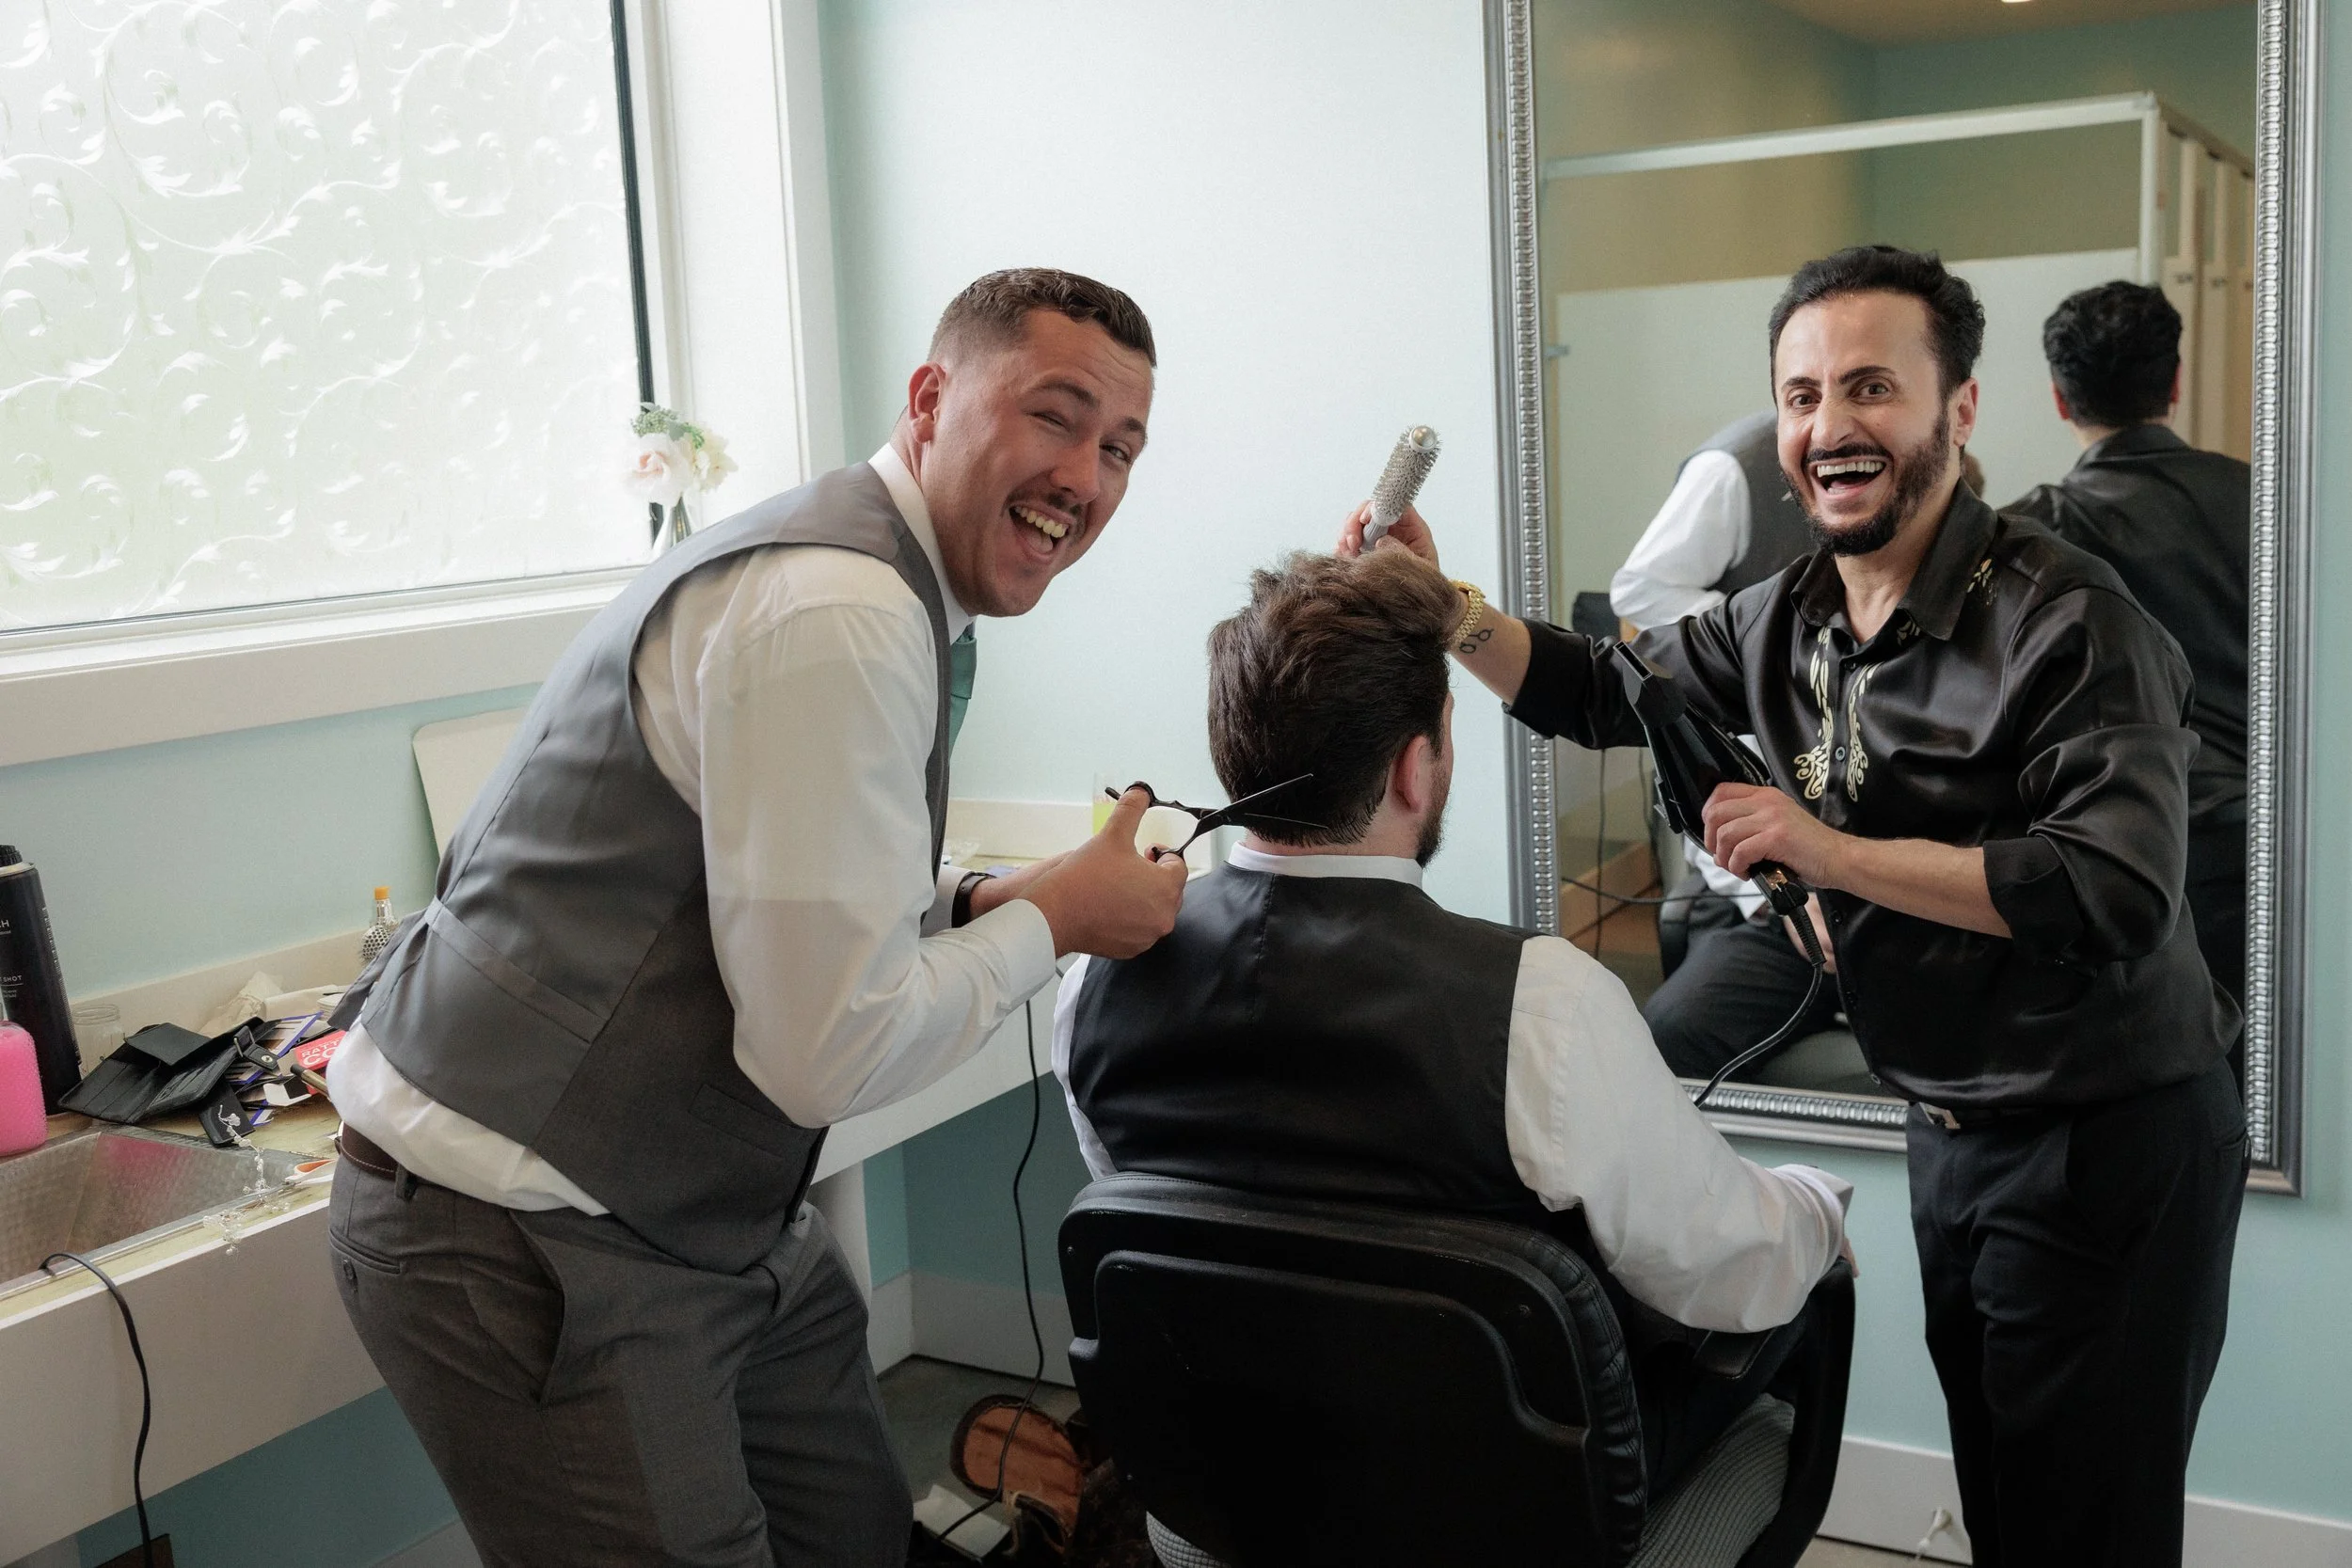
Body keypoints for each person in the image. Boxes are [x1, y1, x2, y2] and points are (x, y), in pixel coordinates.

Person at [1349, 246, 2246, 1567]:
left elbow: (2109, 885)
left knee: (2086, 1527)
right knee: (2010, 1501)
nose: (1832, 425)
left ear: (1959, 409)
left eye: (1871, 386)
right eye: (1803, 394)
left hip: (2105, 1136)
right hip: (1951, 1122)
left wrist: (1828, 849)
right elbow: (1605, 688)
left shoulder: (2068, 618)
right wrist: (1444, 611)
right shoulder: (1789, 616)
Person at [323, 269, 1190, 1568]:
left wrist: (975, 902)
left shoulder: (894, 594)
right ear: (930, 398)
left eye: (1119, 447)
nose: (1084, 475)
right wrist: (1053, 922)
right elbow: (825, 1052)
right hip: (518, 1217)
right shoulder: (840, 612)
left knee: (857, 1534)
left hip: (709, 1213)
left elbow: (800, 876)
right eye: (1055, 417)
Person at [1055, 547, 1854, 1504]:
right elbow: (1726, 1268)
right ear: (1413, 767)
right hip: (1498, 1501)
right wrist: (1815, 1203)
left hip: (1240, 1480)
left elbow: (1157, 1222)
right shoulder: (1540, 1004)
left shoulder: (1095, 977)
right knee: (1806, 1279)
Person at [2003, 280, 2249, 1014]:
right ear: (2175, 383)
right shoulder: (2272, 499)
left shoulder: (2032, 536)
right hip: (2283, 851)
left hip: (2127, 865)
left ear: (2059, 399)